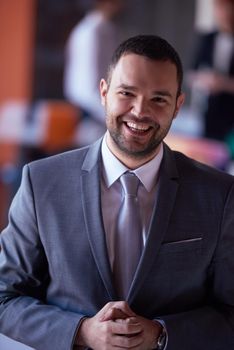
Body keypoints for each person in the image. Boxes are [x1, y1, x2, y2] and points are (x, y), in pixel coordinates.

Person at [0, 34, 234, 350]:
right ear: (104, 92)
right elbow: (5, 296)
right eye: (127, 93)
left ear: (178, 106)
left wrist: (163, 335)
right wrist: (80, 332)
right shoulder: (41, 182)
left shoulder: (219, 195)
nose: (140, 111)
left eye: (159, 99)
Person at [64, 0, 124, 145]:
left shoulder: (105, 28)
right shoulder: (91, 32)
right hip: (91, 109)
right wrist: (113, 114)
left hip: (100, 106)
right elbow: (88, 81)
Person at [187, 0, 234, 143]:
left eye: (229, 9)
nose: (225, 14)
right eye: (220, 9)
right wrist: (205, 80)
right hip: (209, 112)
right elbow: (191, 74)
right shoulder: (207, 38)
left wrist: (223, 84)